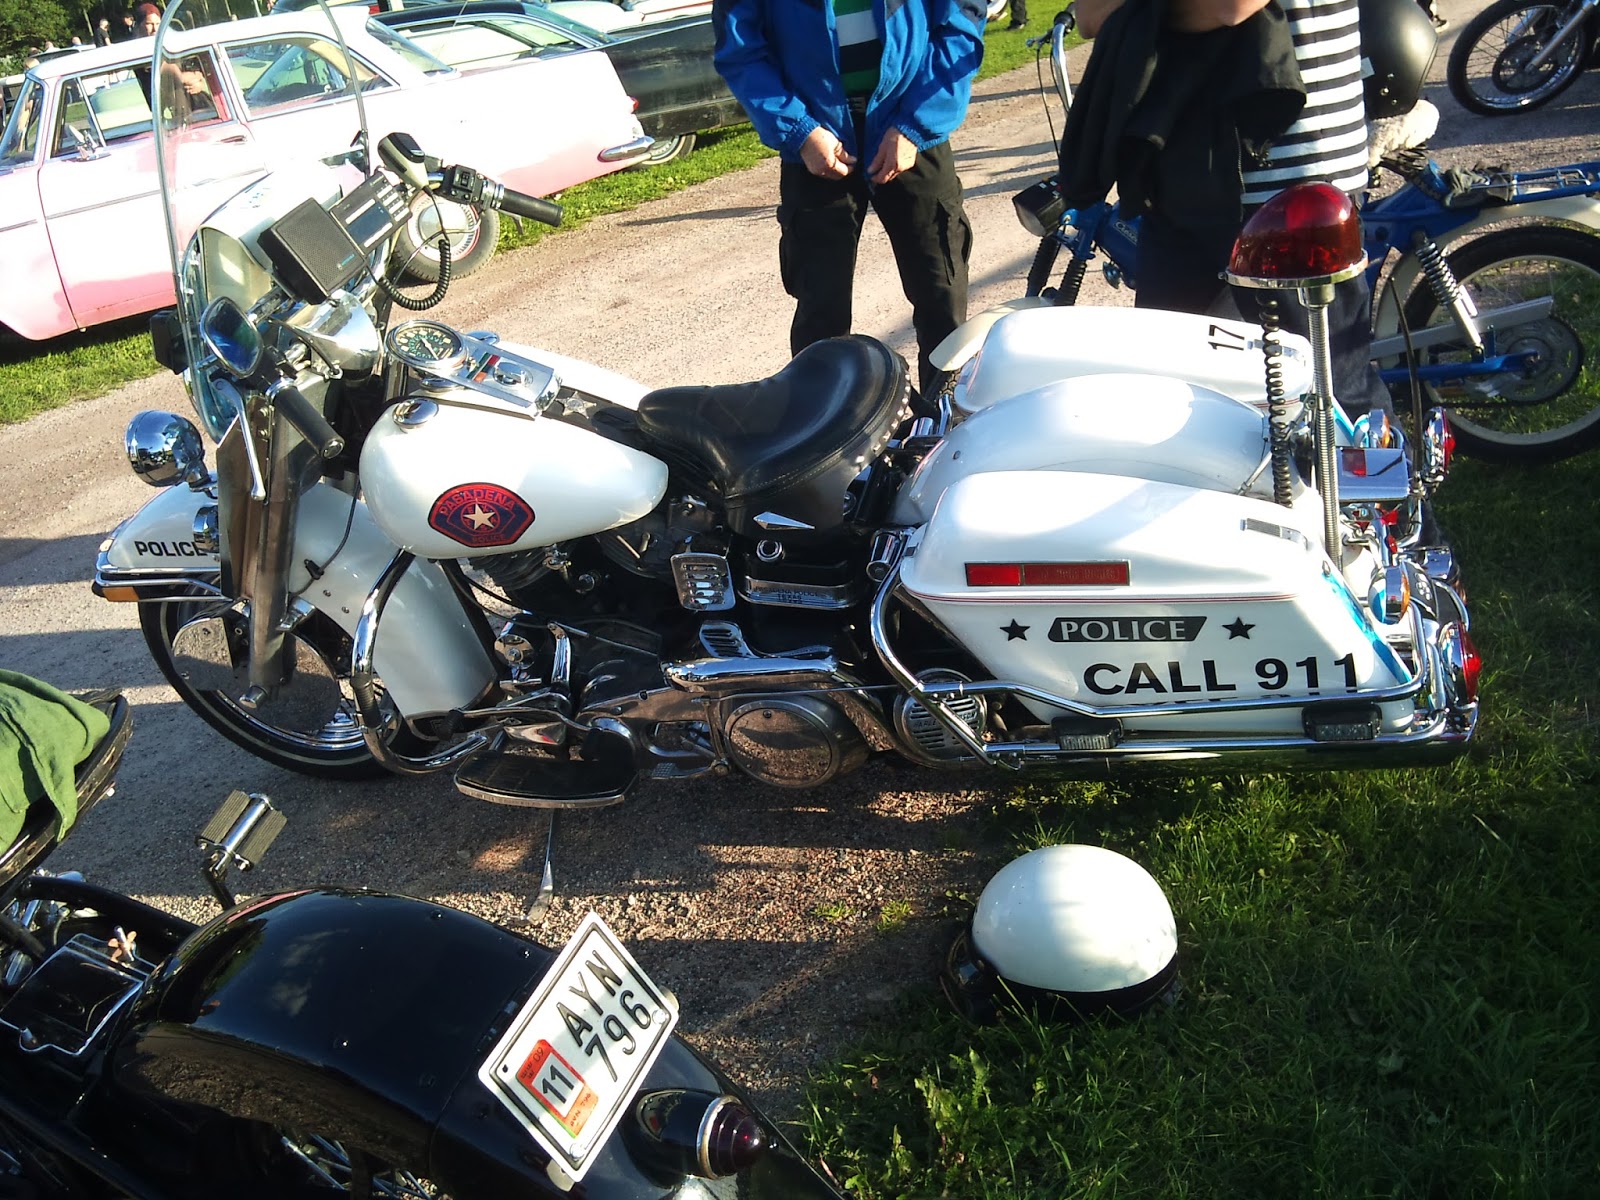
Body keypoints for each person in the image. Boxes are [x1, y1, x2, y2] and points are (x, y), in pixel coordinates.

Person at [1068, 0, 1387, 416]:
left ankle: (1370, 457)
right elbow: (1090, 15)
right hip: (1183, 176)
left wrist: (1142, 16)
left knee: (1327, 398)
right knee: (1171, 395)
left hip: (1294, 187)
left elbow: (1227, 6)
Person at [713, 0, 986, 393]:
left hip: (910, 134)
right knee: (821, 315)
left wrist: (916, 125)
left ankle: (945, 416)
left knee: (941, 295)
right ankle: (825, 423)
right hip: (814, 141)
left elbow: (961, 27)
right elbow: (741, 50)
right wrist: (798, 131)